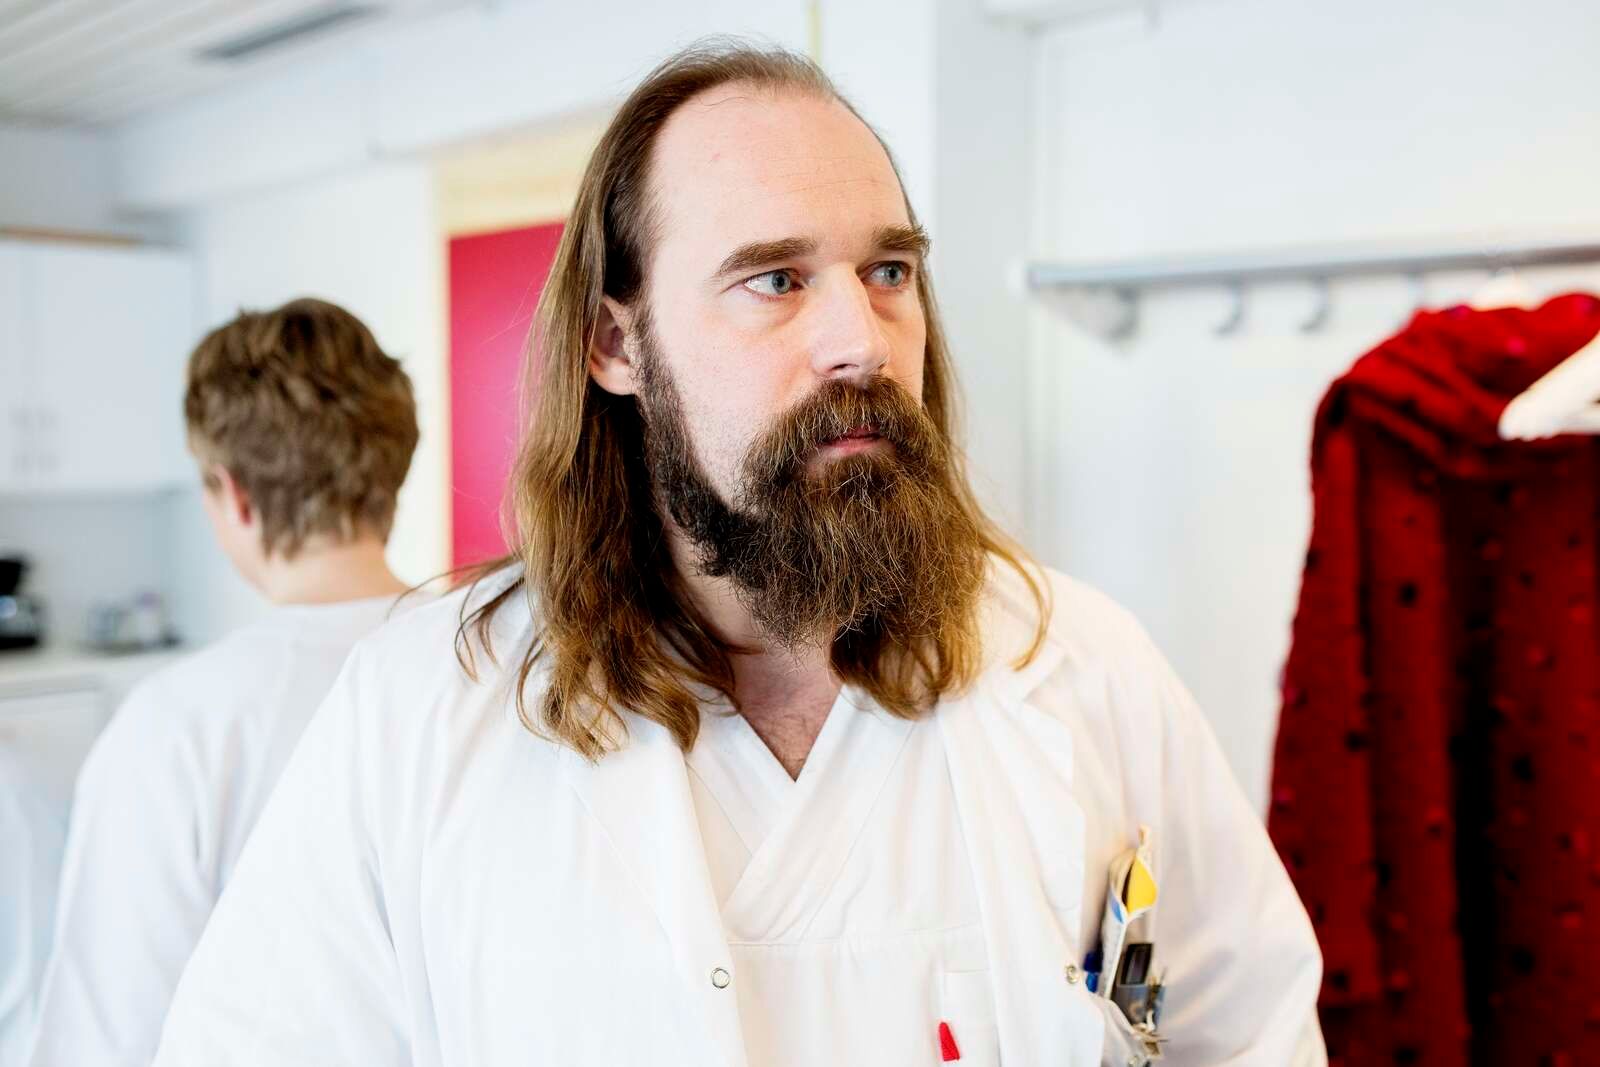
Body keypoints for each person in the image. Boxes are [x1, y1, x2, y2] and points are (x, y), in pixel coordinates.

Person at [154, 45, 1324, 1066]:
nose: (860, 340)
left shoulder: (1081, 668)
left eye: (888, 271)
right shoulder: (424, 710)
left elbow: (1251, 1033)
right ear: (615, 343)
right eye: (775, 279)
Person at [27, 298, 421, 1067]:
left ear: (233, 494)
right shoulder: (499, 672)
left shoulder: (176, 726)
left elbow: (103, 1038)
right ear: (393, 466)